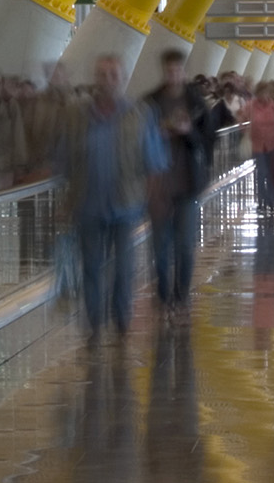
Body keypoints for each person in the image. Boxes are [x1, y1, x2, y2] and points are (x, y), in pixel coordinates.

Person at [57, 55, 163, 342]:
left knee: (124, 267)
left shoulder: (139, 115)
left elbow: (152, 161)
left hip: (125, 206)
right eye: (102, 75)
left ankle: (121, 319)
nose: (107, 81)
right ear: (95, 79)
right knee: (90, 266)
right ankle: (93, 324)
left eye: (113, 75)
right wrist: (66, 203)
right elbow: (67, 162)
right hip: (87, 205)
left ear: (123, 78)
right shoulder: (77, 117)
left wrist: (150, 201)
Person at [144, 50, 213, 325]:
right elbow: (140, 140)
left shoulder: (196, 103)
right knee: (160, 247)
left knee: (185, 246)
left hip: (187, 186)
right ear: (164, 71)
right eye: (169, 70)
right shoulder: (150, 104)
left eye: (177, 71)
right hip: (159, 187)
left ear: (183, 72)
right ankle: (163, 297)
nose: (173, 75)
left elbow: (208, 142)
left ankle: (181, 296)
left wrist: (188, 133)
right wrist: (157, 132)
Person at [246, 81, 274, 212]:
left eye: (266, 92)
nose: (265, 95)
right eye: (262, 93)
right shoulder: (251, 106)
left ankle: (272, 198)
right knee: (261, 172)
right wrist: (246, 131)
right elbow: (241, 117)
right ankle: (262, 200)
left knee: (273, 172)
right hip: (258, 145)